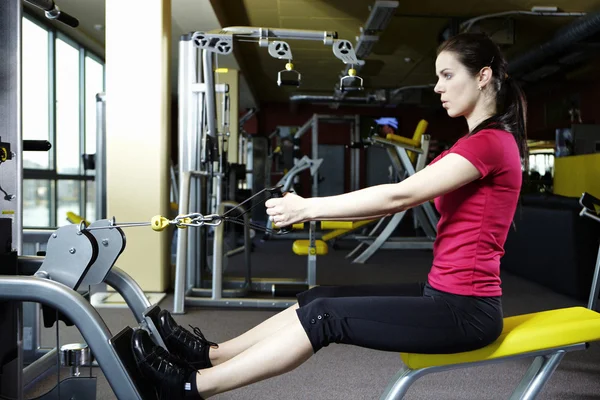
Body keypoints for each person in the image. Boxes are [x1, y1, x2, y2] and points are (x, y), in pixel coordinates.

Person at [131, 32, 528, 400]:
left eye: (446, 75)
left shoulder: (491, 143)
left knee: (325, 317)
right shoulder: (474, 143)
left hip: (465, 312)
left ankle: (189, 386)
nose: (438, 87)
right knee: (319, 296)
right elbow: (402, 198)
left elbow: (400, 194)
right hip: (442, 293)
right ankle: (212, 354)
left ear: (483, 77)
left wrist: (307, 208)